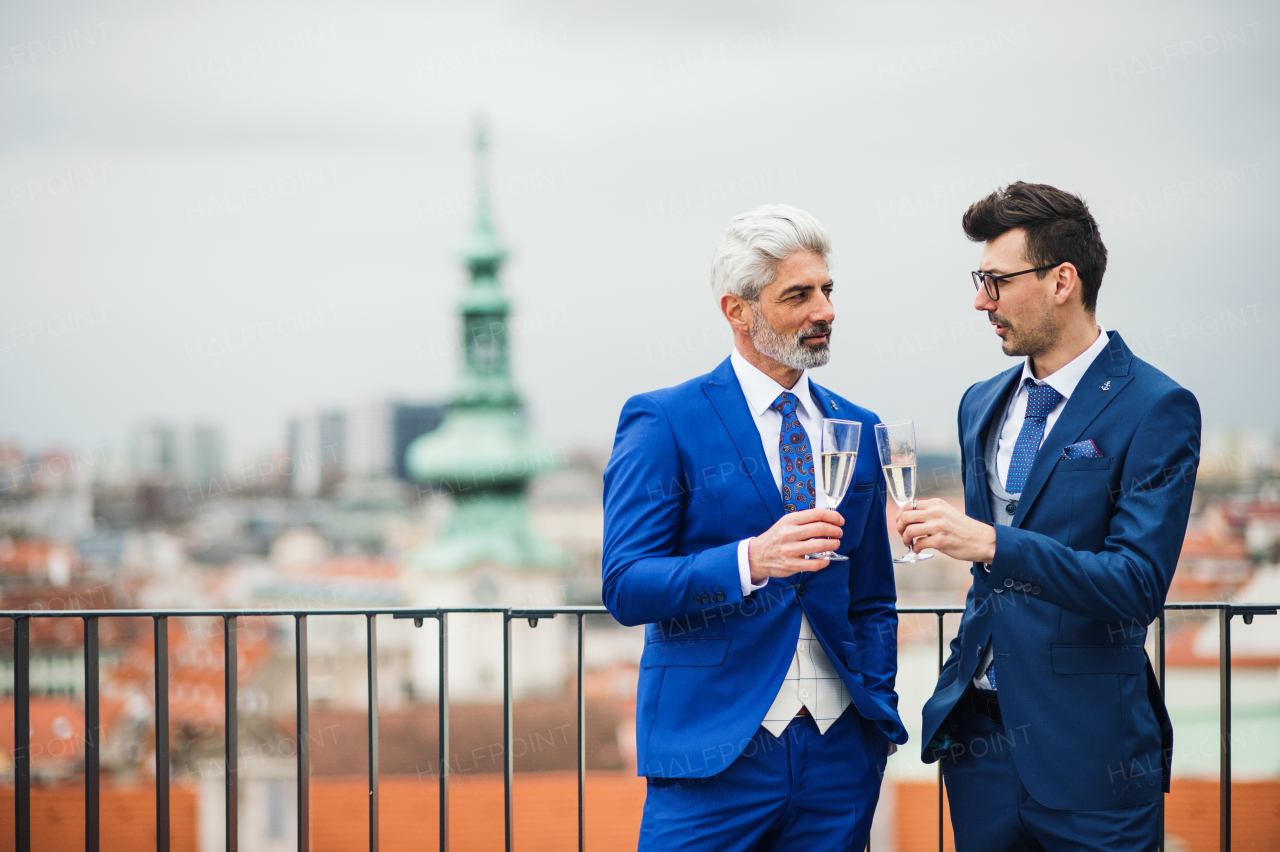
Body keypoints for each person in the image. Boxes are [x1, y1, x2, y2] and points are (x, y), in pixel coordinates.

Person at [898, 182, 1200, 850]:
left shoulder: (1157, 407)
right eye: (980, 281)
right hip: (979, 748)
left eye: (997, 281)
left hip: (1092, 755)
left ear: (1063, 280)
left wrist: (991, 544)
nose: (982, 301)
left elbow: (1135, 586)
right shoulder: (979, 404)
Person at [602, 204, 905, 851]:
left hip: (838, 756)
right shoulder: (664, 421)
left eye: (826, 290)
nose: (823, 310)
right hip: (711, 753)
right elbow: (627, 584)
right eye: (798, 294)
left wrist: (874, 715)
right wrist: (750, 560)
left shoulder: (860, 426)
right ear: (736, 310)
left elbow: (874, 596)